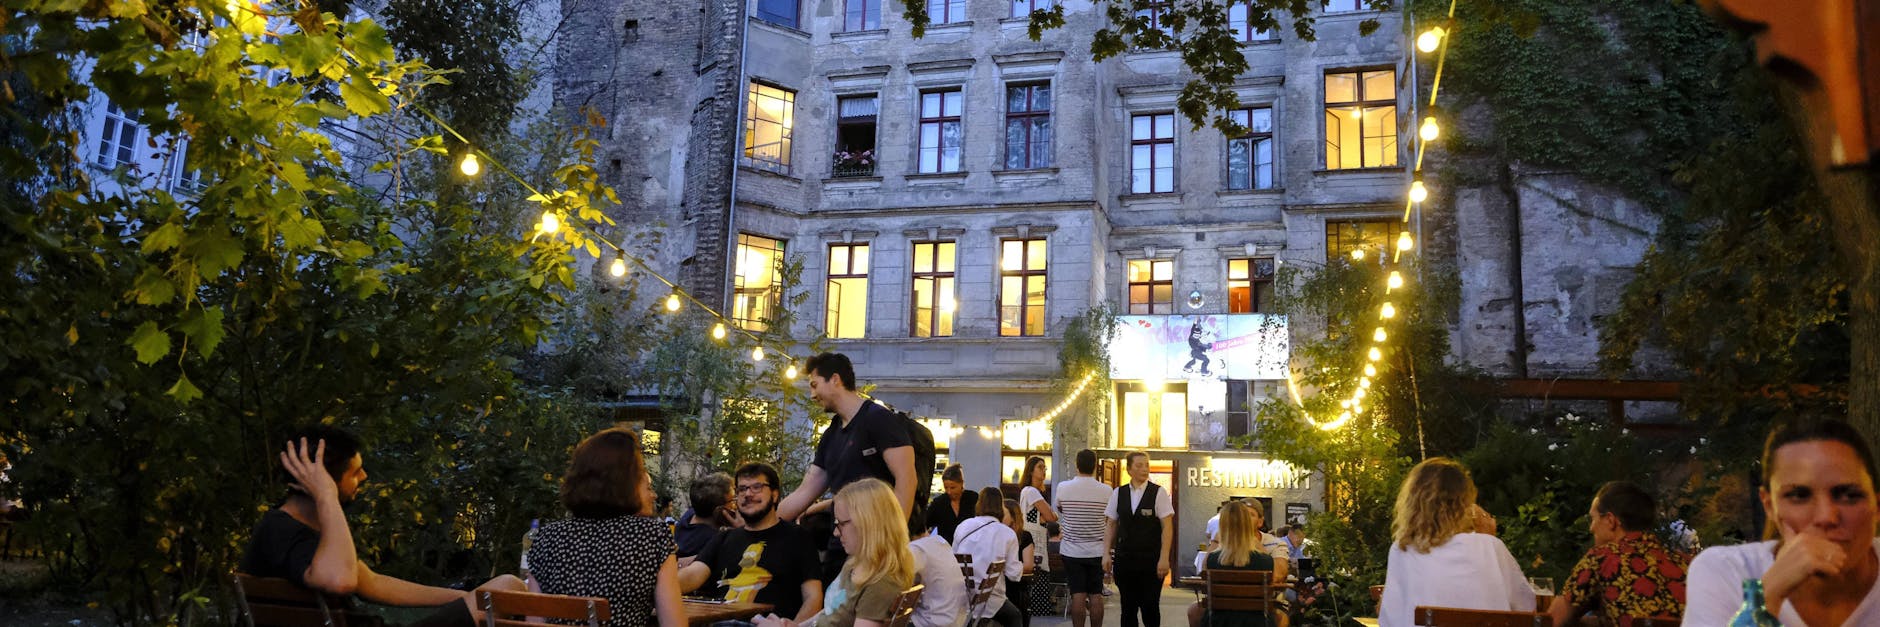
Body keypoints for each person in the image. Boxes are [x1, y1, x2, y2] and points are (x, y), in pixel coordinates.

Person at [238, 426, 523, 627]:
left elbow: (370, 582)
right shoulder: (282, 532)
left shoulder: (296, 532)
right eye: (355, 471)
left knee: (497, 594)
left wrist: (462, 597)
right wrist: (327, 496)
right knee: (508, 587)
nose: (364, 476)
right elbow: (341, 581)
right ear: (323, 482)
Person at [1685, 418, 1880, 626]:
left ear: (1876, 506)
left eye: (1849, 496)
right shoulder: (1726, 573)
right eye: (1799, 496)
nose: (1826, 517)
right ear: (1769, 506)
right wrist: (1766, 596)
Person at [525, 428, 685, 627]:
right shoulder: (652, 536)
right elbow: (674, 623)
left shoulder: (547, 537)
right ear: (627, 482)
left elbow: (533, 622)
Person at [780, 352, 917, 581]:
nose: (812, 395)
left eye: (814, 385)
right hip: (841, 544)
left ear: (835, 379)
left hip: (877, 546)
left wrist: (894, 540)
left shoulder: (879, 419)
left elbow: (907, 479)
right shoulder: (832, 434)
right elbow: (806, 490)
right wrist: (765, 522)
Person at [1378, 458, 1534, 627]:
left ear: (1412, 503)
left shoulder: (1402, 550)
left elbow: (1389, 620)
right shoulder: (1491, 547)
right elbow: (1526, 609)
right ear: (1465, 503)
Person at [754, 479, 916, 627]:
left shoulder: (880, 584)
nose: (836, 533)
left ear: (868, 525)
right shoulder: (857, 564)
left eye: (841, 524)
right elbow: (831, 612)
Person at [678, 463, 823, 622]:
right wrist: (655, 585)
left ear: (775, 495)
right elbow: (693, 574)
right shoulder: (723, 538)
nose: (748, 494)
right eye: (742, 489)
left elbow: (813, 598)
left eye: (757, 487)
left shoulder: (798, 537)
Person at [1547, 481, 1689, 626]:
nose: (1591, 528)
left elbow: (1552, 620)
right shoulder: (1685, 563)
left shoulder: (1602, 558)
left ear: (1610, 520)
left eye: (1593, 519)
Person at [1105, 451, 1175, 627]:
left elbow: (1167, 526)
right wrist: (1105, 553)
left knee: (1150, 607)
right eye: (1139, 465)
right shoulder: (1118, 493)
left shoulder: (1158, 493)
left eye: (1146, 465)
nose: (1144, 469)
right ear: (1129, 469)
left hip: (1150, 561)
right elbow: (1111, 524)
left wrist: (1164, 558)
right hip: (1125, 560)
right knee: (1127, 608)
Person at [1186, 501, 1275, 627]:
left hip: (1218, 621)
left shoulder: (1213, 560)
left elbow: (1203, 572)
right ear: (1248, 525)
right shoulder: (1265, 561)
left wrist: (1216, 540)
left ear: (1222, 525)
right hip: (1257, 622)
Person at [1056, 449, 1111, 627]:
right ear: (1095, 466)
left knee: (1077, 594)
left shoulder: (1063, 488)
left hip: (1071, 550)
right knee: (1096, 594)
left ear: (1076, 465)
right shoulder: (1106, 490)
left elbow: (1061, 509)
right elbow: (1108, 518)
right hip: (1097, 550)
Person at [955, 487, 1025, 627]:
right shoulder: (1007, 533)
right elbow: (1014, 575)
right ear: (1001, 507)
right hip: (991, 600)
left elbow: (953, 560)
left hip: (962, 599)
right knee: (1015, 616)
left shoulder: (963, 526)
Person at [906, 515, 969, 627]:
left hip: (935, 622)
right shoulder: (940, 542)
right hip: (958, 619)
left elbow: (895, 581)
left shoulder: (916, 549)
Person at [676, 472, 733, 565]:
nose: (735, 506)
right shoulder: (713, 540)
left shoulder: (689, 516)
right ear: (718, 510)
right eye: (732, 501)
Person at [927, 464, 980, 543]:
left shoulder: (973, 499)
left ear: (961, 483)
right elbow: (924, 524)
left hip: (970, 550)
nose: (949, 492)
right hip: (946, 551)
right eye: (946, 488)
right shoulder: (939, 503)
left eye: (953, 488)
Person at [1005, 499, 1036, 627]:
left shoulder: (1024, 536)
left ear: (1013, 516)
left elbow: (1028, 566)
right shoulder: (997, 534)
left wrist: (1005, 569)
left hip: (1016, 582)